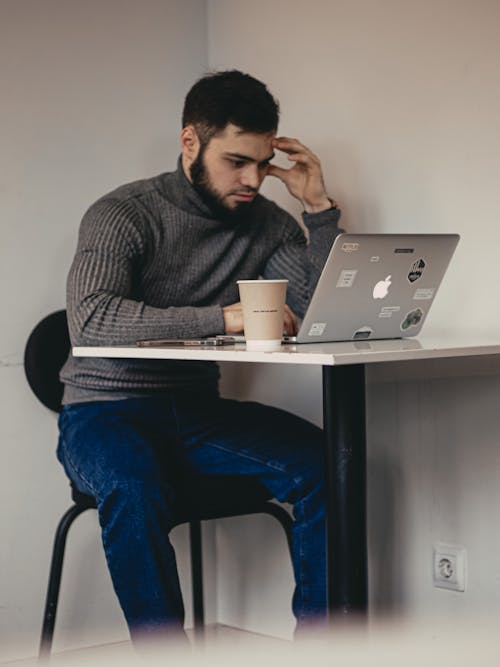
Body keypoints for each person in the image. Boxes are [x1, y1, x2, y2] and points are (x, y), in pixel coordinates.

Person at [58, 70, 342, 645]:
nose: (253, 179)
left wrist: (318, 211)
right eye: (237, 160)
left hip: (194, 410)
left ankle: (323, 649)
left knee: (326, 462)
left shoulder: (266, 224)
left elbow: (315, 315)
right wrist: (223, 317)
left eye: (263, 163)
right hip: (101, 410)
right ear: (191, 141)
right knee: (132, 487)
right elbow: (92, 318)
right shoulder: (124, 213)